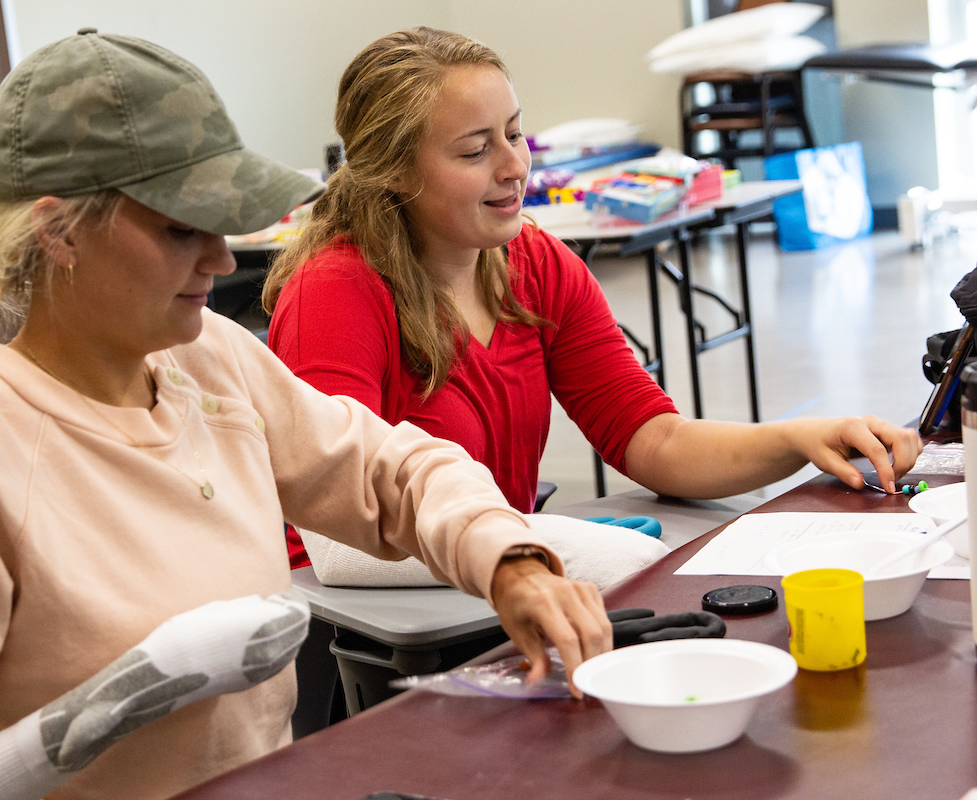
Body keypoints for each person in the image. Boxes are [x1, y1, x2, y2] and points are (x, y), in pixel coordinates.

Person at [0, 31, 613, 800]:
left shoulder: (212, 363)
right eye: (180, 228)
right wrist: (117, 702)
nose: (222, 260)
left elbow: (391, 471)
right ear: (58, 231)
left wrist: (509, 561)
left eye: (220, 223)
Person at [262, 26, 923, 571]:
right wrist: (553, 550)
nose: (514, 166)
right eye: (474, 150)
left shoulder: (533, 262)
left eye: (515, 134)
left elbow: (651, 439)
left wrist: (798, 439)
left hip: (489, 575)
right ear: (394, 170)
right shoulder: (336, 294)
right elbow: (339, 533)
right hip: (367, 613)